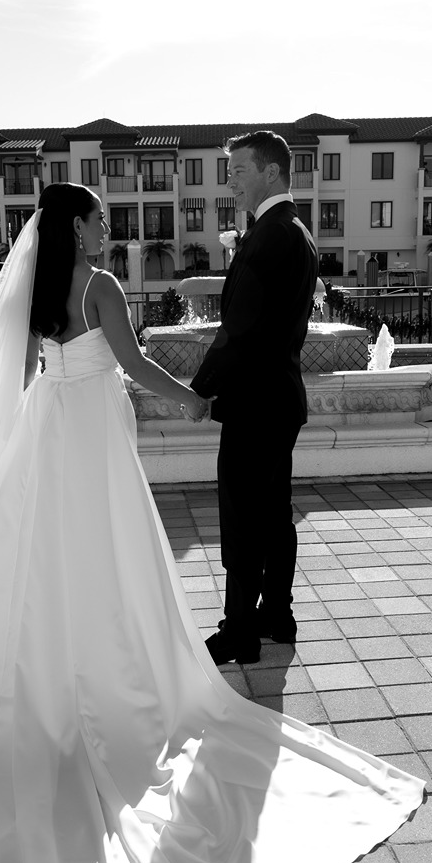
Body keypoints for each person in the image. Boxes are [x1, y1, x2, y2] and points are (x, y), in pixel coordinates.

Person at [0, 182, 424, 863]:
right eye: (101, 216)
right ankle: (103, 683)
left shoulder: (40, 289)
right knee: (106, 548)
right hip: (91, 433)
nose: (108, 225)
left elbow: (17, 374)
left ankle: (33, 684)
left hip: (50, 425)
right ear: (76, 227)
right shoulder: (102, 285)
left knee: (38, 556)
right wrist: (196, 402)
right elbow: (134, 363)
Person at [191, 131, 318, 666]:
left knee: (243, 518)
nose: (231, 180)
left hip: (254, 404)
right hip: (279, 399)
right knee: (273, 514)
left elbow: (239, 329)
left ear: (269, 171)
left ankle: (240, 631)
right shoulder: (294, 231)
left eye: (239, 170)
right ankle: (277, 615)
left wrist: (198, 389)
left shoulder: (269, 236)